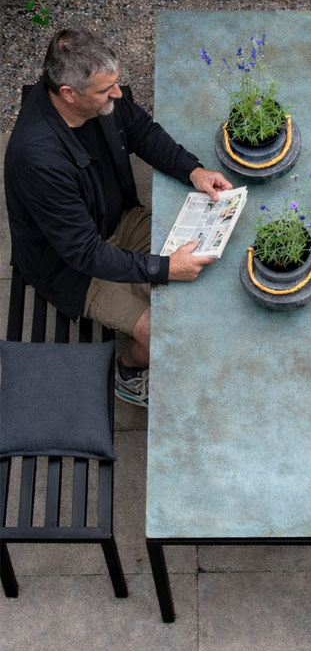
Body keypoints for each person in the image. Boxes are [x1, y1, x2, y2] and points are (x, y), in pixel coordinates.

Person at [4, 28, 234, 405]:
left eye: (115, 83)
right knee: (165, 332)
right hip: (74, 268)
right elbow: (85, 253)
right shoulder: (38, 162)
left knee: (209, 268)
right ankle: (127, 374)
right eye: (105, 89)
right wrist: (165, 268)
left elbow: (141, 131)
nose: (117, 94)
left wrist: (193, 170)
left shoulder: (100, 102)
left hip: (120, 220)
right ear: (69, 93)